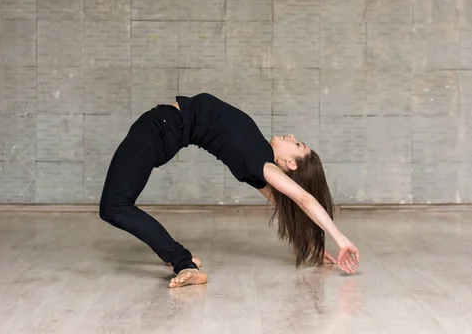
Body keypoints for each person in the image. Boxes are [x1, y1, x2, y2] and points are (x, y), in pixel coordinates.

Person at [99, 93, 360, 288]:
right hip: (161, 129)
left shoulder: (262, 165)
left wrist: (341, 239)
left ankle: (183, 262)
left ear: (291, 163)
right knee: (115, 206)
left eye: (298, 144)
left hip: (160, 130)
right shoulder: (257, 159)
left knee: (115, 206)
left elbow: (303, 198)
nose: (291, 136)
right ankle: (181, 259)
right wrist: (313, 245)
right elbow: (286, 208)